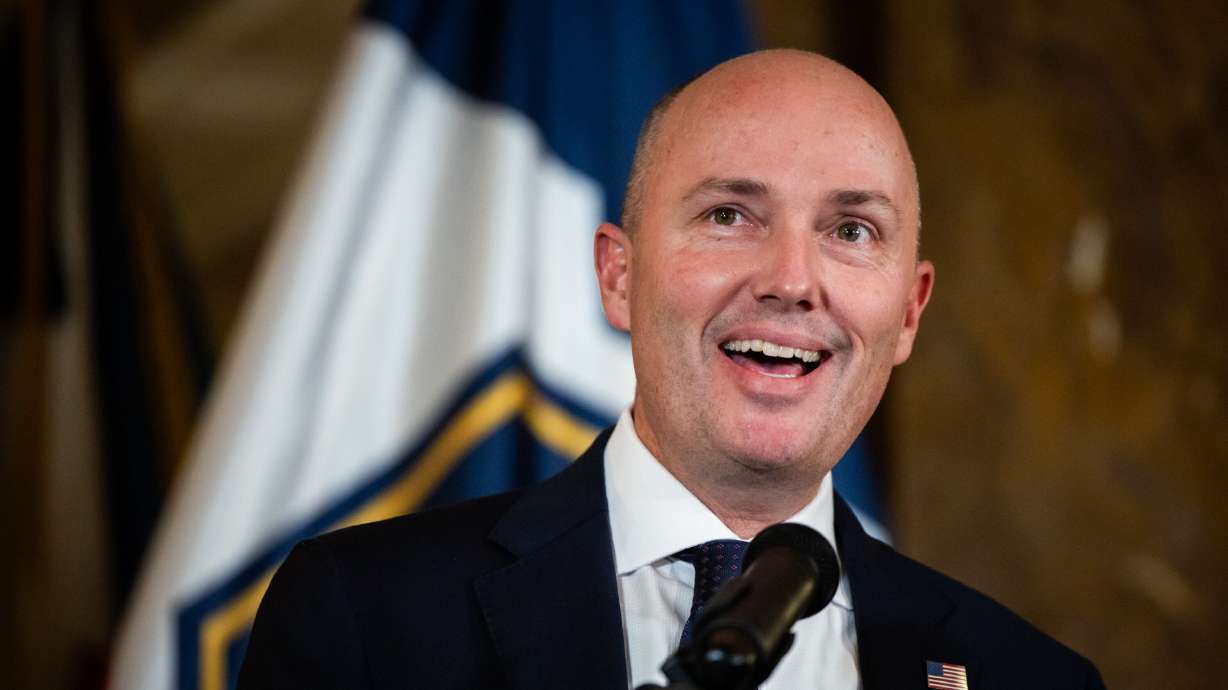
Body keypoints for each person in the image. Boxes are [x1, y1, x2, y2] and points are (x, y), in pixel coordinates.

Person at [238, 49, 1105, 690]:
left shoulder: (1029, 678)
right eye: (730, 214)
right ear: (619, 276)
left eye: (851, 231)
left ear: (910, 311)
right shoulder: (363, 616)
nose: (792, 282)